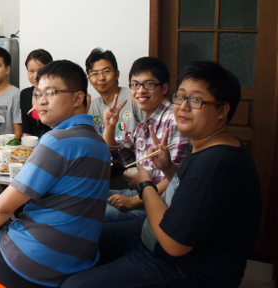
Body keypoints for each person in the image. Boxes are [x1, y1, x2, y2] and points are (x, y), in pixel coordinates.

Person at [60, 61, 262, 288]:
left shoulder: (216, 165)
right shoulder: (208, 146)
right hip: (154, 238)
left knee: (75, 285)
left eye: (196, 100)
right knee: (80, 240)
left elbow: (175, 244)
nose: (183, 106)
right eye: (181, 97)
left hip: (188, 268)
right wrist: (168, 168)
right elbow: (187, 190)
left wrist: (145, 185)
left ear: (222, 110)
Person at [0, 60, 110, 288]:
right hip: (80, 261)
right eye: (38, 94)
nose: (41, 101)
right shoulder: (99, 142)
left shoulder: (56, 141)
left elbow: (1, 207)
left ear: (78, 98)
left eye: (52, 93)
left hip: (33, 264)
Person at [102, 57, 191, 221]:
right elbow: (114, 156)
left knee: (95, 215)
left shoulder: (174, 120)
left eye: (149, 84)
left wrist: (134, 201)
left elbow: (177, 177)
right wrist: (110, 125)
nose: (140, 90)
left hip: (161, 204)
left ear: (164, 88)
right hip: (142, 193)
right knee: (89, 196)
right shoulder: (144, 125)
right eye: (135, 84)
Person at [85, 48, 144, 143]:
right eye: (95, 74)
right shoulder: (92, 106)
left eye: (106, 71)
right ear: (89, 80)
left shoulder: (134, 97)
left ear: (117, 74)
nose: (101, 78)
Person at [20, 49, 53, 138]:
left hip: (52, 142)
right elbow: (26, 130)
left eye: (40, 71)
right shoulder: (25, 94)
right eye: (31, 71)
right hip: (31, 145)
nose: (35, 76)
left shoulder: (55, 94)